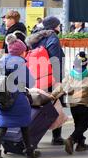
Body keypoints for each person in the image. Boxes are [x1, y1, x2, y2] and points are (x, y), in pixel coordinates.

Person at [0, 33, 40, 158]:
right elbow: (30, 83)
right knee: (24, 125)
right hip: (17, 98)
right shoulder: (20, 64)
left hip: (3, 99)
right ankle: (30, 153)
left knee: (2, 126)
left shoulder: (3, 61)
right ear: (21, 52)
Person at [26, 16, 66, 145]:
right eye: (58, 25)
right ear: (54, 26)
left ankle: (32, 136)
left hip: (35, 75)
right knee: (55, 103)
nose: (59, 27)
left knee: (36, 104)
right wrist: (58, 80)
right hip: (49, 76)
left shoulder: (35, 36)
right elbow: (55, 60)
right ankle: (56, 136)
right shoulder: (53, 38)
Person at [52, 51, 88, 155]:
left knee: (78, 124)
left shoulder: (70, 76)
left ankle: (81, 144)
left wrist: (53, 95)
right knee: (84, 125)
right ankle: (71, 139)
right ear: (86, 64)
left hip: (73, 106)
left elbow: (61, 88)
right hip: (85, 105)